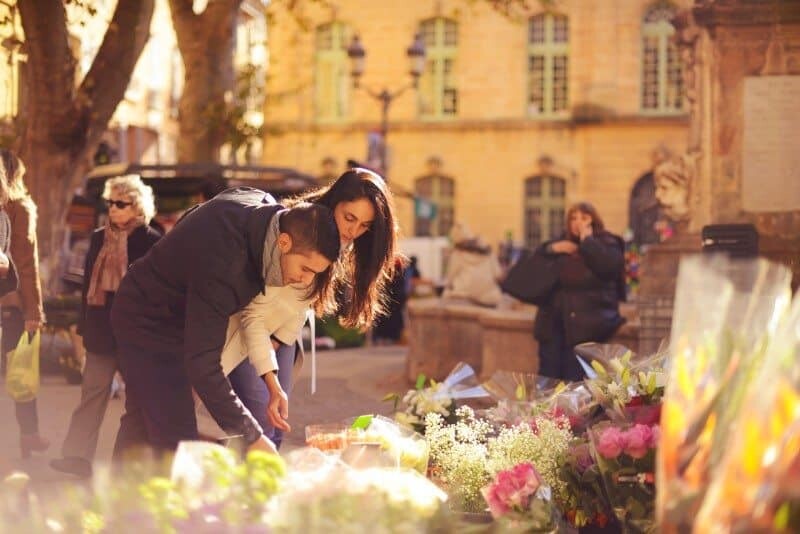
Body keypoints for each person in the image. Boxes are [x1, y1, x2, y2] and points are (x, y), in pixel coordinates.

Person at [110, 187, 341, 459]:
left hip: (168, 312)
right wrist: (252, 435)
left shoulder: (264, 210)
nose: (306, 281)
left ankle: (115, 498)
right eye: (305, 269)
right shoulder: (226, 265)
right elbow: (203, 364)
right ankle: (147, 497)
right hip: (145, 320)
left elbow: (195, 217)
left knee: (141, 422)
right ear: (284, 242)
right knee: (177, 440)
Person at [227, 167, 399, 448]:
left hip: (281, 334)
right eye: (349, 218)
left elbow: (301, 303)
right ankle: (239, 486)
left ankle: (254, 485)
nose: (353, 231)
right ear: (335, 202)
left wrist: (280, 339)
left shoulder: (341, 241)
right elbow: (255, 312)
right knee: (257, 425)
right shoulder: (299, 225)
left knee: (276, 427)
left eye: (365, 225)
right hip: (246, 331)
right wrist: (269, 345)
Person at [50, 175, 161, 478]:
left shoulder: (151, 240)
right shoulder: (99, 237)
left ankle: (131, 463)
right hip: (101, 331)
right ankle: (76, 457)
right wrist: (84, 326)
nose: (113, 208)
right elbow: (89, 284)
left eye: (120, 203)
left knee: (138, 401)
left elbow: (155, 292)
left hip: (134, 335)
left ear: (137, 207)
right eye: (110, 202)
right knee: (92, 395)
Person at [533, 202, 626, 382]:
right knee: (547, 379)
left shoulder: (607, 242)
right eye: (573, 218)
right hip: (553, 324)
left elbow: (609, 267)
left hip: (585, 327)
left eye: (584, 218)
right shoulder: (561, 242)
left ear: (594, 220)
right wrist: (552, 249)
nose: (578, 223)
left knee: (575, 379)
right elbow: (535, 259)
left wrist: (587, 242)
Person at [0, 149, 46, 459]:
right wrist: (34, 311)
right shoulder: (20, 209)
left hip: (10, 301)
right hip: (13, 303)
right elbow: (26, 263)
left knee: (17, 369)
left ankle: (30, 435)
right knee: (20, 371)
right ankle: (29, 435)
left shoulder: (9, 209)